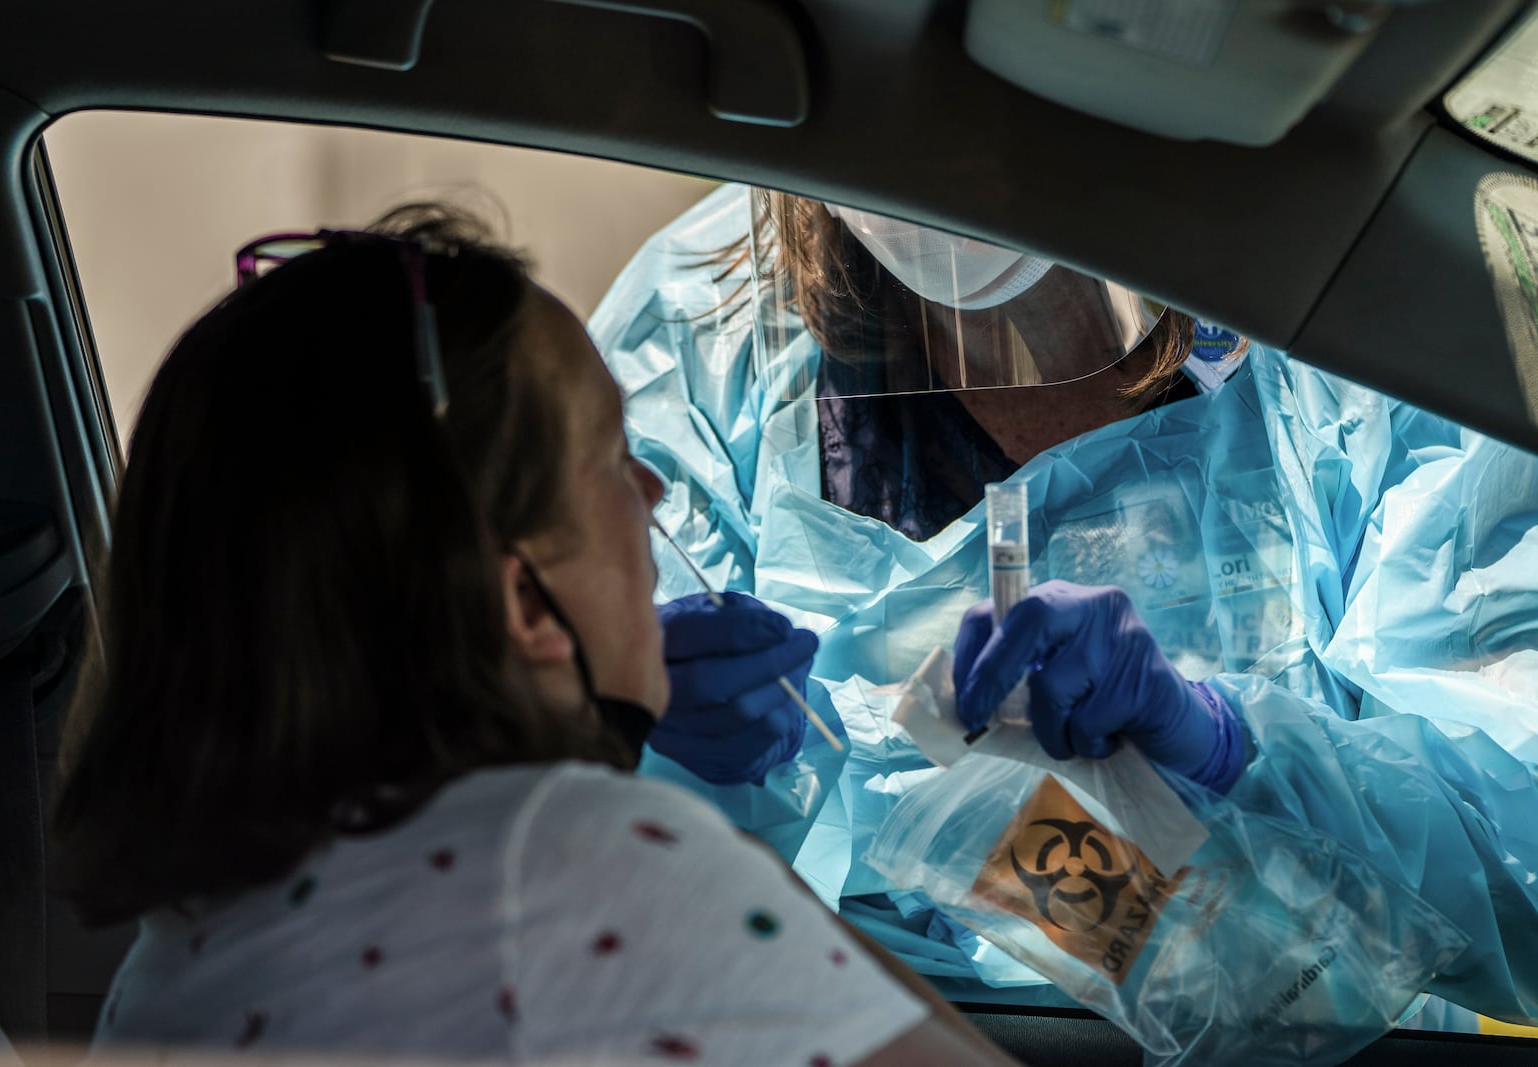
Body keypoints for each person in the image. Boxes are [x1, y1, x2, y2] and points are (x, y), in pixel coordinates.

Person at [49, 205, 1025, 1066]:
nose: (648, 493)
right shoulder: (571, 857)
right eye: (610, 455)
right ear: (521, 603)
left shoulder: (179, 939)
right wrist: (729, 858)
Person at [591, 183, 1538, 1029]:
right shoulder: (710, 333)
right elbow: (557, 864)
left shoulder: (1354, 324)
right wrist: (670, 759)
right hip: (862, 1023)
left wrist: (1232, 752)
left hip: (1307, 1024)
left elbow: (1521, 858)